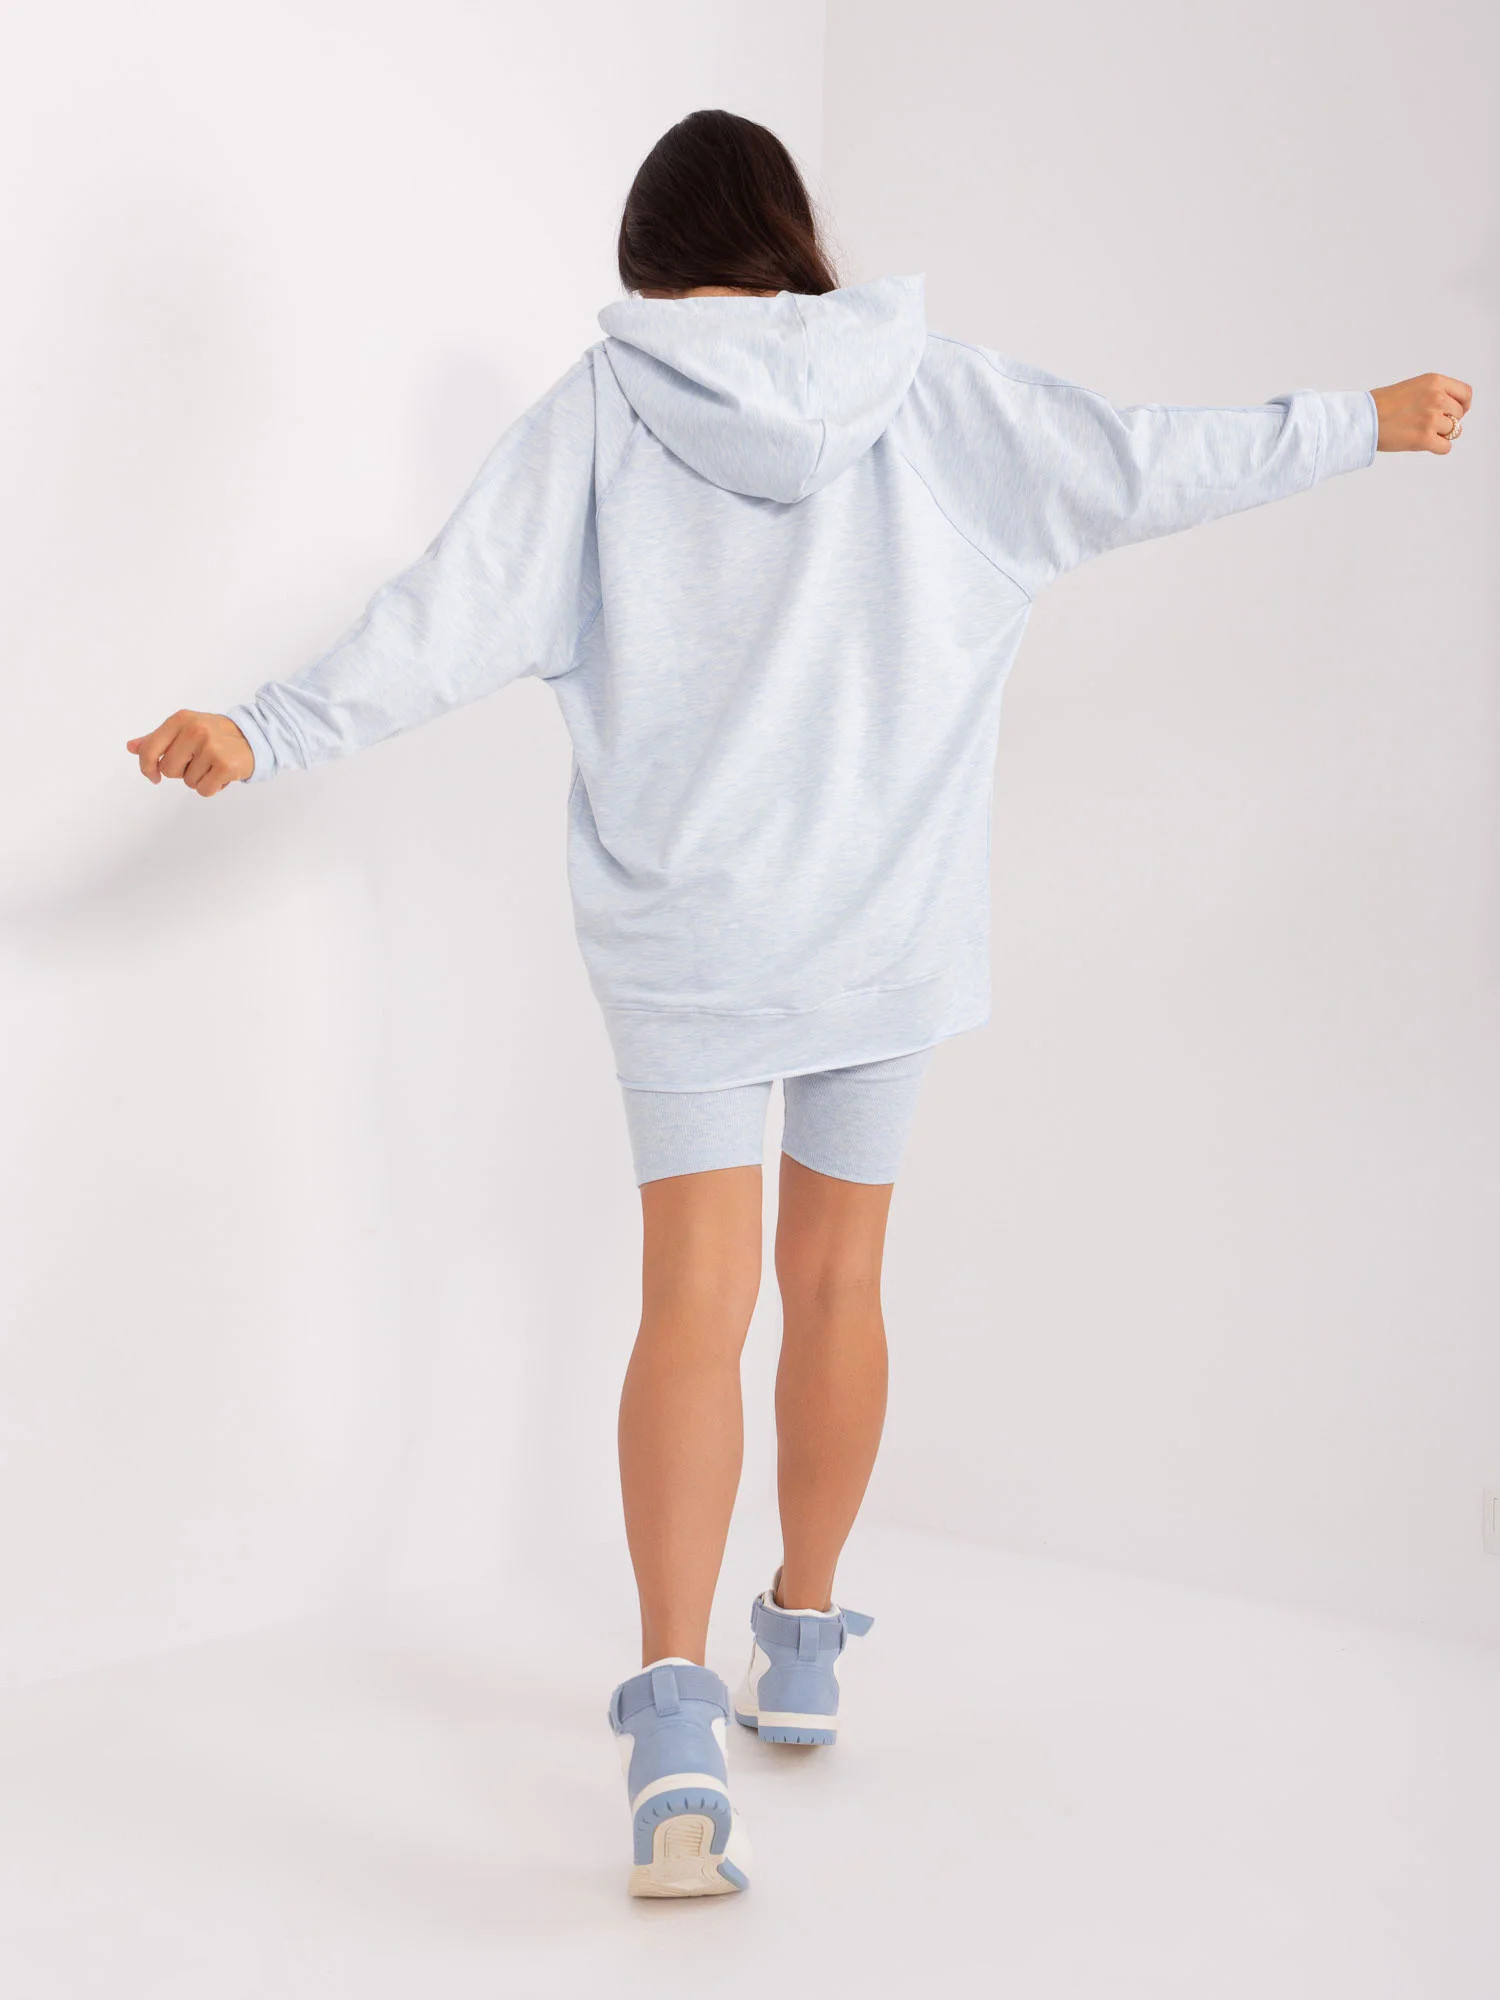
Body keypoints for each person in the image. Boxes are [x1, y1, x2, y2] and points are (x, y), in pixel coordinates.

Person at [126, 108, 1471, 1899]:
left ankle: (675, 1722)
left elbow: (443, 615)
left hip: (691, 942)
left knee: (694, 1303)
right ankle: (808, 1645)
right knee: (839, 1280)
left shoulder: (602, 412)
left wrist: (265, 726)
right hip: (881, 930)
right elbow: (1150, 458)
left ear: (648, 257)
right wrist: (1364, 419)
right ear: (786, 235)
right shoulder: (931, 394)